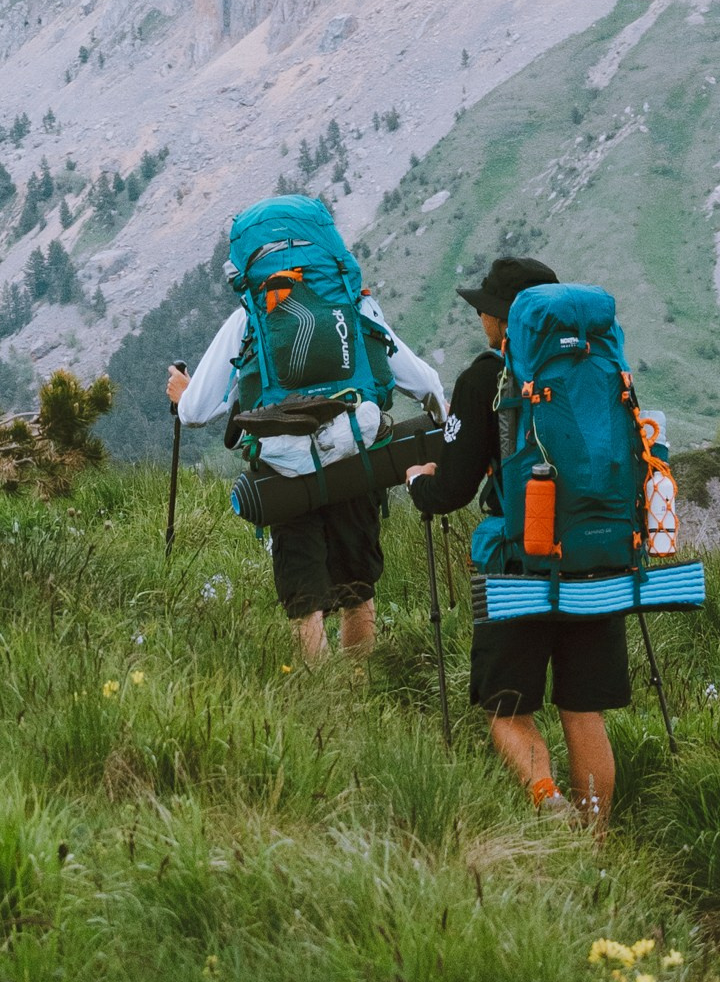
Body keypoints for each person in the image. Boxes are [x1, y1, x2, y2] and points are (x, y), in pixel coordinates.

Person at [409, 251, 631, 830]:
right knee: (584, 711)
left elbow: (453, 487)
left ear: (504, 320)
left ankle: (546, 799)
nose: (481, 320)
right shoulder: (599, 370)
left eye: (486, 310)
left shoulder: (487, 377)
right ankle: (596, 841)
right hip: (599, 560)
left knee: (506, 707)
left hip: (519, 567)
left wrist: (420, 486)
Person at [168, 261, 444, 665]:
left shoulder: (250, 315)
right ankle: (357, 691)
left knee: (304, 600)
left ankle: (323, 703)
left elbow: (195, 412)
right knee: (357, 587)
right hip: (354, 458)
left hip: (286, 470)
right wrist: (442, 412)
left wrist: (184, 393)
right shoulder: (353, 305)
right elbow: (421, 381)